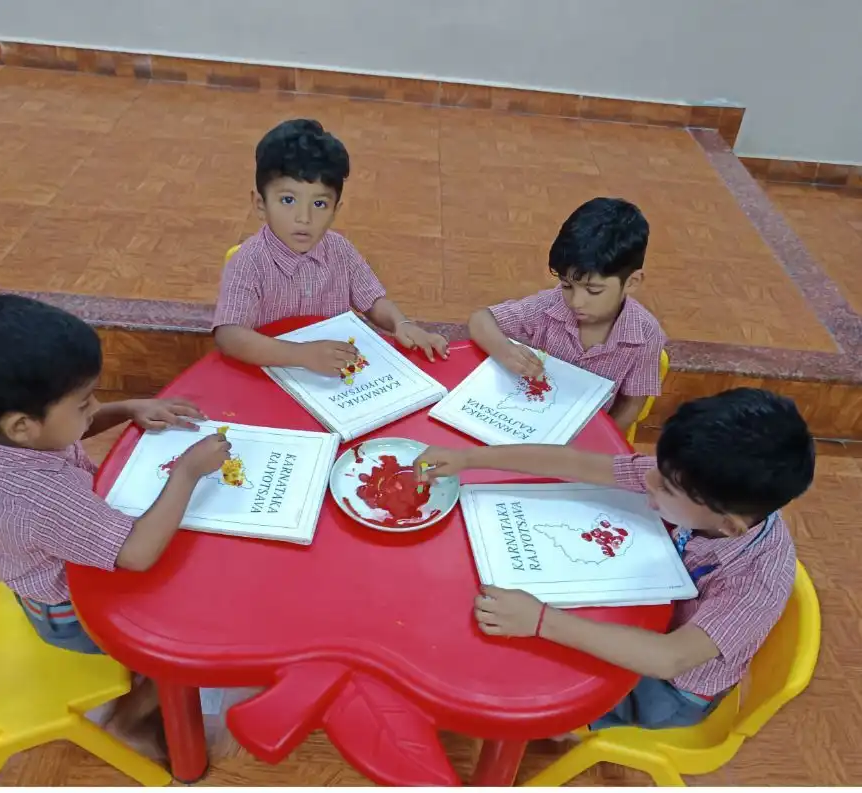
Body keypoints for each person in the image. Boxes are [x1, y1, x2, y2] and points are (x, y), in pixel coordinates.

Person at [416, 388, 815, 730]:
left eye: (664, 488)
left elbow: (669, 658)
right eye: (657, 471)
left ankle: (577, 728)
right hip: (645, 604)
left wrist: (540, 620)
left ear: (728, 526)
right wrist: (469, 459)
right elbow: (576, 464)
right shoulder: (689, 479)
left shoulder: (757, 579)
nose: (648, 481)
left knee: (533, 682)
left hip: (669, 690)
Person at [0, 293, 226, 657]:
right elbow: (136, 553)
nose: (95, 408)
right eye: (85, 403)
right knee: (185, 634)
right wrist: (188, 472)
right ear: (22, 425)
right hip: (73, 618)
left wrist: (130, 407)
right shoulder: (42, 497)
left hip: (54, 583)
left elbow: (66, 432)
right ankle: (129, 712)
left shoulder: (4, 435)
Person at [214, 118, 448, 375]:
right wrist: (300, 355)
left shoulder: (341, 250)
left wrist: (401, 323)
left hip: (332, 377)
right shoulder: (248, 262)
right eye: (288, 200)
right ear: (261, 204)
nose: (303, 218)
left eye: (319, 204)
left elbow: (372, 301)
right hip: (270, 373)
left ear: (336, 210)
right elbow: (229, 336)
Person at [469, 197, 665, 436]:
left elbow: (632, 404)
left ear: (632, 282)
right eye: (567, 285)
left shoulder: (646, 335)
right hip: (526, 424)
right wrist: (505, 351)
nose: (576, 301)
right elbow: (481, 320)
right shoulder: (549, 306)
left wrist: (594, 445)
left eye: (593, 290)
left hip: (584, 442)